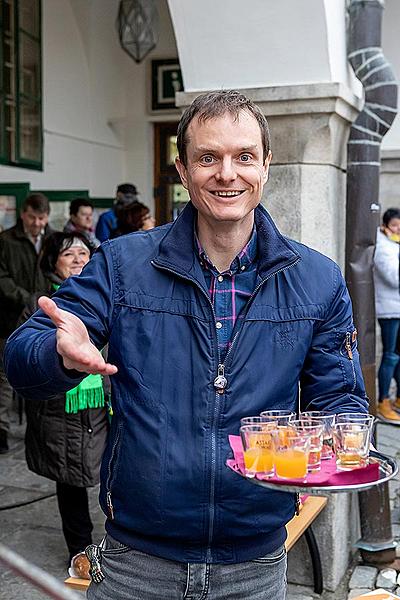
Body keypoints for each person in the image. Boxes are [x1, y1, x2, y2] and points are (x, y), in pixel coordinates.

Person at [5, 91, 368, 599]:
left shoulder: (317, 281)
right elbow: (24, 353)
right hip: (136, 563)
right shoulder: (121, 265)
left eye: (243, 156)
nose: (227, 173)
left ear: (267, 164)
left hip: (256, 563)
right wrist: (58, 354)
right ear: (182, 169)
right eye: (207, 157)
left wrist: (331, 450)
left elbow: (340, 402)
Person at [19, 231, 108, 563]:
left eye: (84, 253)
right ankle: (80, 550)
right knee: (69, 477)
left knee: (112, 469)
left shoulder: (105, 298)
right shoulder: (40, 302)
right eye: (68, 254)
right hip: (60, 407)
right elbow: (24, 355)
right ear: (52, 261)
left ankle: (119, 543)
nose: (78, 260)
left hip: (102, 404)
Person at [0, 193, 53, 454]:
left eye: (42, 218)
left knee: (41, 369)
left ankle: (39, 428)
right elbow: (3, 279)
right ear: (23, 214)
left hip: (45, 316)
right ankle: (2, 430)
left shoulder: (52, 239)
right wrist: (29, 299)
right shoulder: (6, 241)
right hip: (10, 317)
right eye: (32, 217)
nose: (37, 223)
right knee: (5, 376)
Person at [374, 208, 400, 423]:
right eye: (394, 226)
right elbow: (393, 277)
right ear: (385, 226)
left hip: (397, 307)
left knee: (398, 356)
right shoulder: (383, 247)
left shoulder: (394, 245)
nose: (397, 230)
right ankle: (383, 401)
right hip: (390, 310)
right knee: (390, 355)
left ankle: (397, 398)